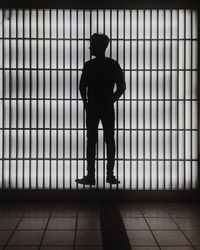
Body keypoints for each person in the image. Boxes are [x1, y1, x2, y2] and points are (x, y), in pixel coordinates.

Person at [75, 33, 126, 185]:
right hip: (107, 107)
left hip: (92, 107)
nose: (90, 46)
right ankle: (110, 175)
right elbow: (122, 87)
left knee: (91, 141)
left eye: (92, 44)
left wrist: (85, 103)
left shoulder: (89, 65)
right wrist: (111, 100)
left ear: (98, 46)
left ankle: (91, 176)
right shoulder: (113, 64)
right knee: (110, 140)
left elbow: (82, 87)